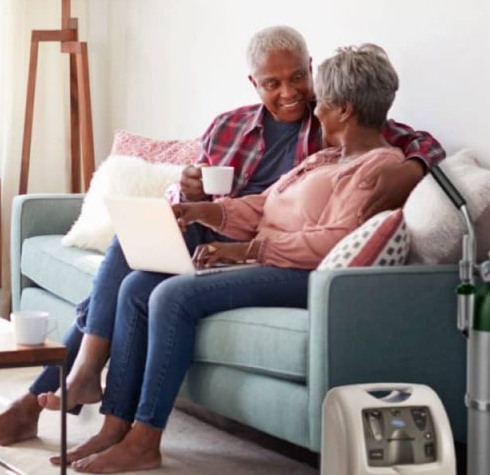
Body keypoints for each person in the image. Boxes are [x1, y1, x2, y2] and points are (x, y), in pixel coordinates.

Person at [0, 25, 445, 457]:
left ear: (314, 75)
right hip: (218, 225)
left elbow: (407, 140)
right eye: (273, 83)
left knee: (142, 281)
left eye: (299, 78)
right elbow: (233, 194)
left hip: (265, 244)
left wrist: (415, 166)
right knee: (135, 248)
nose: (292, 93)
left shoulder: (334, 133)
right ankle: (86, 390)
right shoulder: (232, 126)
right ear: (254, 84)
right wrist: (188, 196)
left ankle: (61, 394)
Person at [72, 43, 408, 472]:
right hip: (271, 263)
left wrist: (249, 249)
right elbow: (261, 206)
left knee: (171, 296)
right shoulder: (326, 158)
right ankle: (114, 424)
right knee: (139, 286)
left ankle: (145, 438)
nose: (313, 108)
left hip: (302, 274)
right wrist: (204, 211)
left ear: (342, 109)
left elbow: (334, 239)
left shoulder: (377, 167)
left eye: (320, 101)